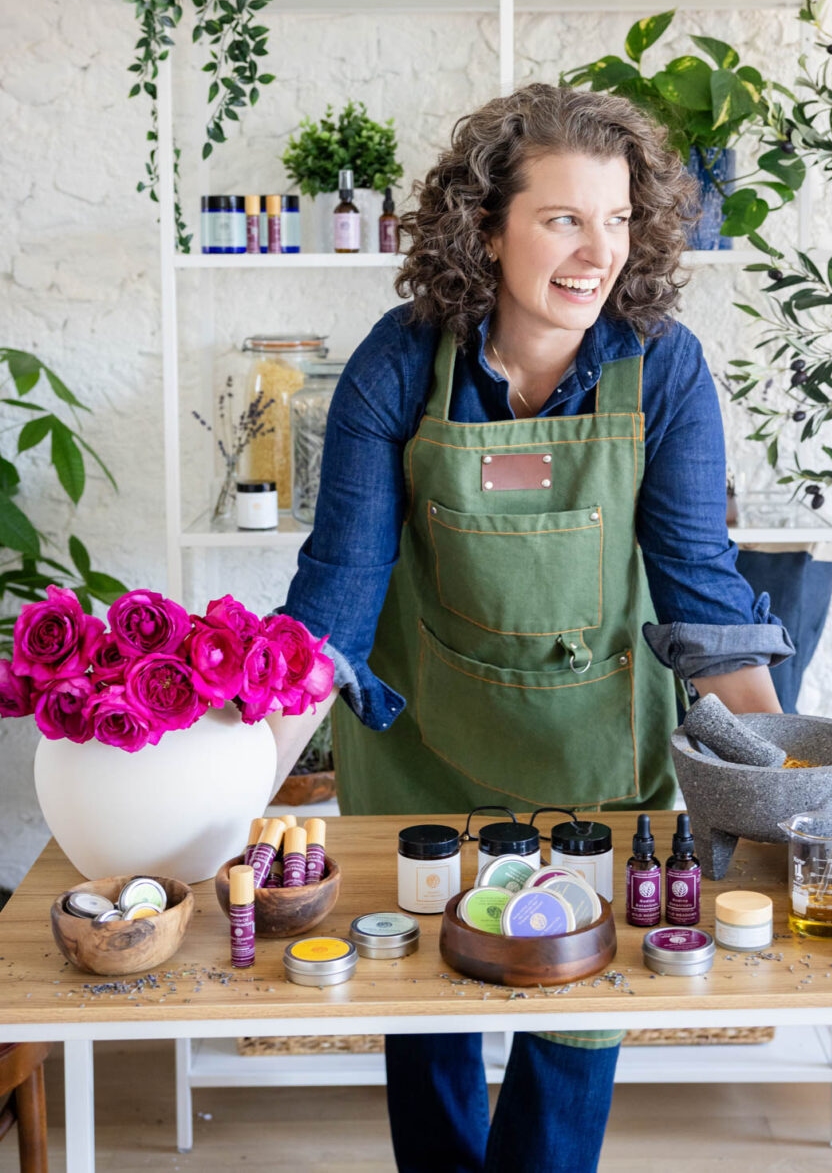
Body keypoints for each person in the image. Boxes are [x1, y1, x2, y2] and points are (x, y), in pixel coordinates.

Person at [272, 83, 794, 1173]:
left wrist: (783, 783)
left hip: (597, 756)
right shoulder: (399, 364)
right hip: (425, 761)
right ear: (486, 227)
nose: (594, 250)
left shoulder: (665, 366)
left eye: (616, 219)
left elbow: (702, 590)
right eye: (562, 217)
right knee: (428, 1022)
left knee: (571, 1037)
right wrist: (221, 799)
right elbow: (332, 606)